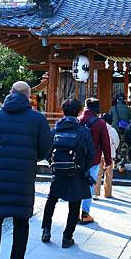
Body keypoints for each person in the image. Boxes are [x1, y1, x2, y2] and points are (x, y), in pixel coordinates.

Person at [0, 81, 53, 259]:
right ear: (28, 96)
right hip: (24, 176)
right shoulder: (37, 119)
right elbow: (46, 147)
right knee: (21, 220)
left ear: (11, 93)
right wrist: (31, 156)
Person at [41, 99, 94, 248]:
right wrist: (84, 167)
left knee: (51, 200)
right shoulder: (83, 131)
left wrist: (53, 163)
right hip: (76, 171)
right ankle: (67, 237)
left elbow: (46, 150)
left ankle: (46, 230)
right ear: (79, 112)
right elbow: (91, 153)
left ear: (62, 112)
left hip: (58, 171)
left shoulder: (55, 130)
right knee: (74, 204)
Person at [77, 98, 111, 224]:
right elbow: (106, 144)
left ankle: (75, 212)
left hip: (77, 159)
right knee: (89, 184)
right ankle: (85, 213)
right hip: (93, 159)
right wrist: (108, 161)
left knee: (77, 183)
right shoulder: (100, 123)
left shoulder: (78, 120)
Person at [94, 113, 120, 199]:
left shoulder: (97, 128)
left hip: (98, 153)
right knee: (108, 174)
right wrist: (113, 149)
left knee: (98, 173)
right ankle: (107, 193)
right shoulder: (112, 130)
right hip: (109, 154)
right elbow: (116, 142)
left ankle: (95, 193)